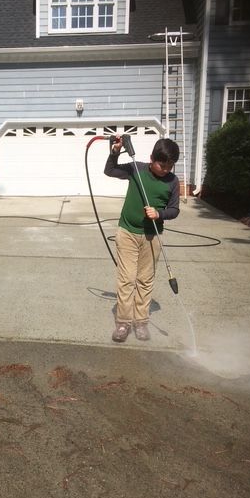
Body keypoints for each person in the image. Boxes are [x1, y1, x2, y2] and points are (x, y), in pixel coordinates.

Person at [104, 135, 180, 343]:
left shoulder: (173, 182)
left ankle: (141, 322)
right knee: (127, 279)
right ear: (151, 158)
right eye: (161, 164)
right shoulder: (136, 169)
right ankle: (123, 322)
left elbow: (174, 210)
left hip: (152, 235)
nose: (165, 169)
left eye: (170, 166)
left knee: (145, 281)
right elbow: (110, 170)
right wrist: (116, 151)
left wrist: (159, 214)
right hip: (127, 232)